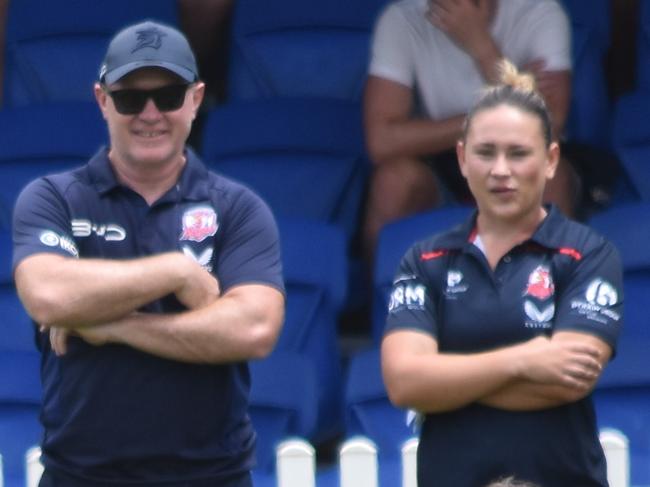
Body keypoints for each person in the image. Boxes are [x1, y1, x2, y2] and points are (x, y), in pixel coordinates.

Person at [12, 20, 285, 487]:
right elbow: (48, 295)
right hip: (80, 477)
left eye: (170, 95)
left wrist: (110, 324)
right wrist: (176, 271)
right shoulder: (52, 197)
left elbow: (253, 329)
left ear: (196, 99)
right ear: (102, 101)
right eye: (130, 98)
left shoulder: (239, 207)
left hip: (211, 477)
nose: (151, 113)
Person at [381, 60, 623, 486]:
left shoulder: (587, 254)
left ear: (550, 160)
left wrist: (446, 380)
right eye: (485, 152)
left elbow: (567, 381)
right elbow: (404, 384)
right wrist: (526, 359)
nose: (500, 170)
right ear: (462, 158)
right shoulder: (425, 260)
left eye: (518, 153)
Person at [363, 0, 574, 262]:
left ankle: (545, 296)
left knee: (548, 177)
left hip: (519, 157)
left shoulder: (539, 12)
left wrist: (481, 47)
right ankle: (385, 299)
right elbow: (382, 141)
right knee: (393, 182)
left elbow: (550, 128)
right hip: (444, 161)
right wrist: (509, 99)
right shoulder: (403, 19)